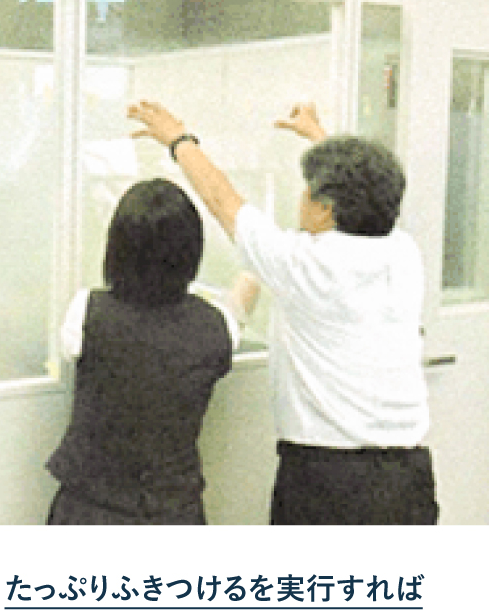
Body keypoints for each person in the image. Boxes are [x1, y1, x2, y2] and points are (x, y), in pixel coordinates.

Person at [128, 101, 438, 525]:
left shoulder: (303, 265)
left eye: (308, 189)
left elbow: (221, 199)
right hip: (409, 479)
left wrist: (179, 140)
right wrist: (318, 137)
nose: (302, 196)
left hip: (330, 483)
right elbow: (366, 195)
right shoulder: (402, 252)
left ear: (326, 208)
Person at [46, 177, 258, 524]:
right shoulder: (214, 326)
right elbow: (240, 304)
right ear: (191, 252)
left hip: (90, 510)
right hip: (173, 512)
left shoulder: (85, 312)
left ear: (117, 247)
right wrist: (255, 265)